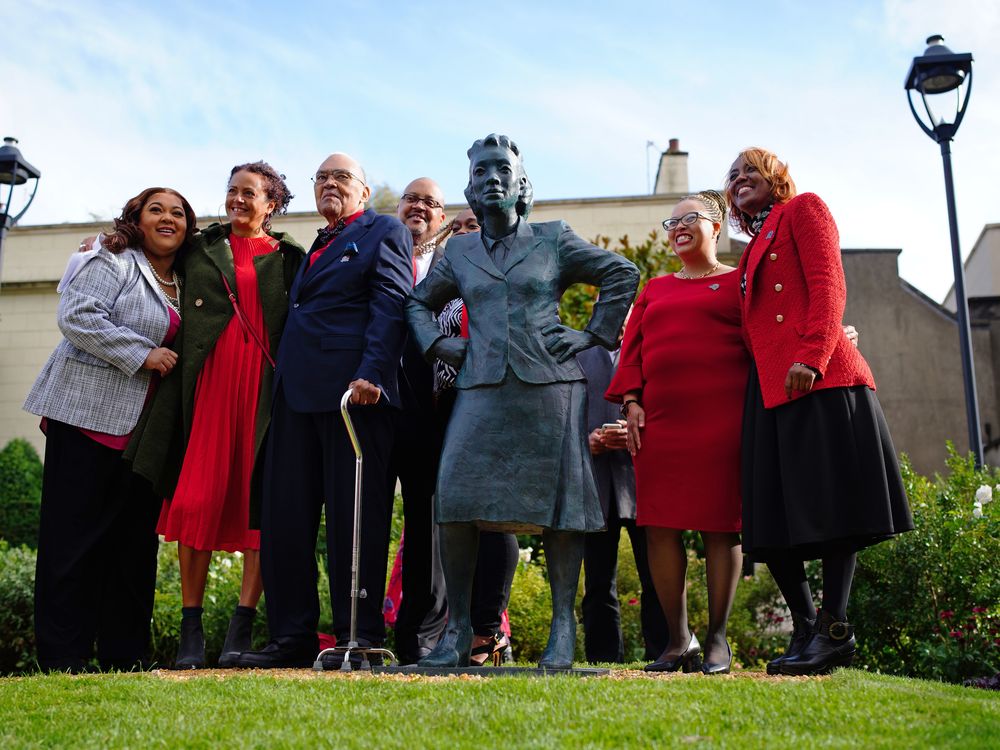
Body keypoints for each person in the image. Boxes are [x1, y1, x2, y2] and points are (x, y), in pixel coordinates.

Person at [406, 134, 639, 669]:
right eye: (482, 170)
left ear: (521, 184)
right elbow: (418, 304)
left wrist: (592, 335)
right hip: (481, 387)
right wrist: (440, 344)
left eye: (502, 170)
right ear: (470, 186)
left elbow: (620, 272)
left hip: (551, 387)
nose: (492, 178)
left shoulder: (553, 238)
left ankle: (562, 627)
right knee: (454, 499)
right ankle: (459, 631)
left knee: (560, 509)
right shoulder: (459, 251)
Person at [726, 147, 913, 675]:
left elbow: (830, 285)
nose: (740, 179)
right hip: (770, 390)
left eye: (750, 171)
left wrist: (812, 355)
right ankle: (808, 627)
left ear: (776, 179)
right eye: (733, 175)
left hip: (820, 379)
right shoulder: (750, 249)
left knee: (833, 509)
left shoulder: (803, 209)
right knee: (770, 518)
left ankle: (834, 629)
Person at [237, 152, 412, 669]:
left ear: (363, 190)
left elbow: (391, 301)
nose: (329, 184)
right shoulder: (316, 243)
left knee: (353, 519)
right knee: (284, 518)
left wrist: (374, 373)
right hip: (293, 396)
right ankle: (290, 638)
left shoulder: (384, 231)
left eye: (341, 177)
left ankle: (357, 637)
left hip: (352, 396)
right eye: (321, 178)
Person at [128, 162, 303, 669]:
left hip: (263, 392)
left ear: (271, 204)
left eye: (249, 193)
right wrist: (103, 245)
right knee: (198, 500)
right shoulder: (199, 247)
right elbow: (151, 248)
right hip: (207, 385)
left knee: (258, 510)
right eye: (232, 192)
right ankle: (191, 631)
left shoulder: (291, 258)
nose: (237, 200)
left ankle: (240, 631)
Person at [24, 187, 196, 672]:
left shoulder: (186, 279)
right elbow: (76, 316)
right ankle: (64, 658)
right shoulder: (113, 260)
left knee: (133, 548)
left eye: (178, 212)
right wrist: (142, 353)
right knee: (72, 544)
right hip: (85, 421)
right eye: (155, 210)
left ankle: (127, 656)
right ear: (136, 220)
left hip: (146, 437)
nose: (167, 218)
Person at [608, 191, 745, 674]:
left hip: (723, 421)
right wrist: (631, 401)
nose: (679, 226)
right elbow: (632, 352)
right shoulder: (654, 288)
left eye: (691, 218)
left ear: (717, 226)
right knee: (659, 526)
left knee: (719, 525)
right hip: (660, 422)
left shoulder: (738, 283)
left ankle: (717, 641)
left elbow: (770, 337)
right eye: (673, 221)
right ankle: (677, 640)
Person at [431, 207, 519, 667]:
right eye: (457, 227)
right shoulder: (443, 285)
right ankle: (461, 626)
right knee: (460, 516)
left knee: (495, 515)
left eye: (474, 226)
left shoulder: (505, 273)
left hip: (493, 402)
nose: (464, 233)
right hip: (448, 407)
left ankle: (487, 630)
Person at [578, 330, 669, 664]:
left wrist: (635, 432)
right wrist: (585, 442)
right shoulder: (579, 356)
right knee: (598, 582)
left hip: (643, 482)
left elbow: (670, 411)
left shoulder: (651, 355)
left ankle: (663, 652)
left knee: (657, 576)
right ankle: (602, 659)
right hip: (596, 483)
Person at [389, 178, 450, 664]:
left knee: (427, 524)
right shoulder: (378, 250)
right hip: (375, 399)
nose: (420, 207)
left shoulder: (454, 261)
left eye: (430, 202)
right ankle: (362, 627)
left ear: (442, 216)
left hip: (432, 405)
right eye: (412, 199)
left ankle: (420, 638)